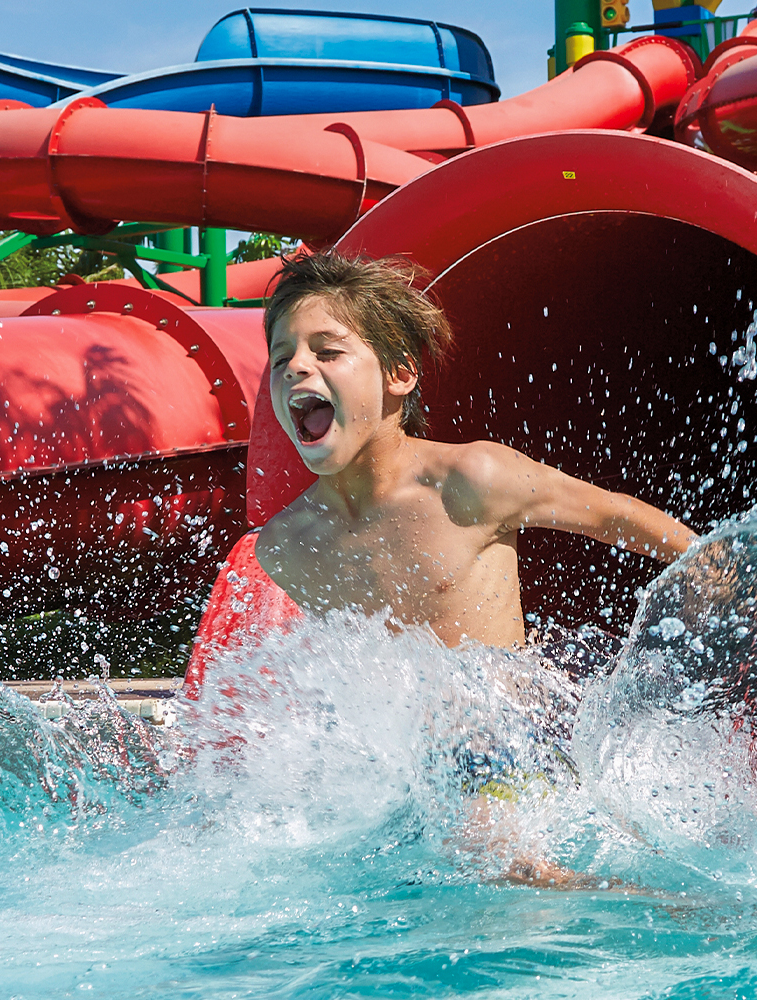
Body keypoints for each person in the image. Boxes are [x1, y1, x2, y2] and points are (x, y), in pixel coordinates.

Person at [189, 251, 698, 886]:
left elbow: (612, 515)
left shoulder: (468, 482)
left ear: (399, 374)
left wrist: (708, 566)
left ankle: (662, 908)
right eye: (282, 355)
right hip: (395, 775)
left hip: (501, 741)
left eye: (328, 350)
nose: (297, 365)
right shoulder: (288, 546)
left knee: (496, 863)